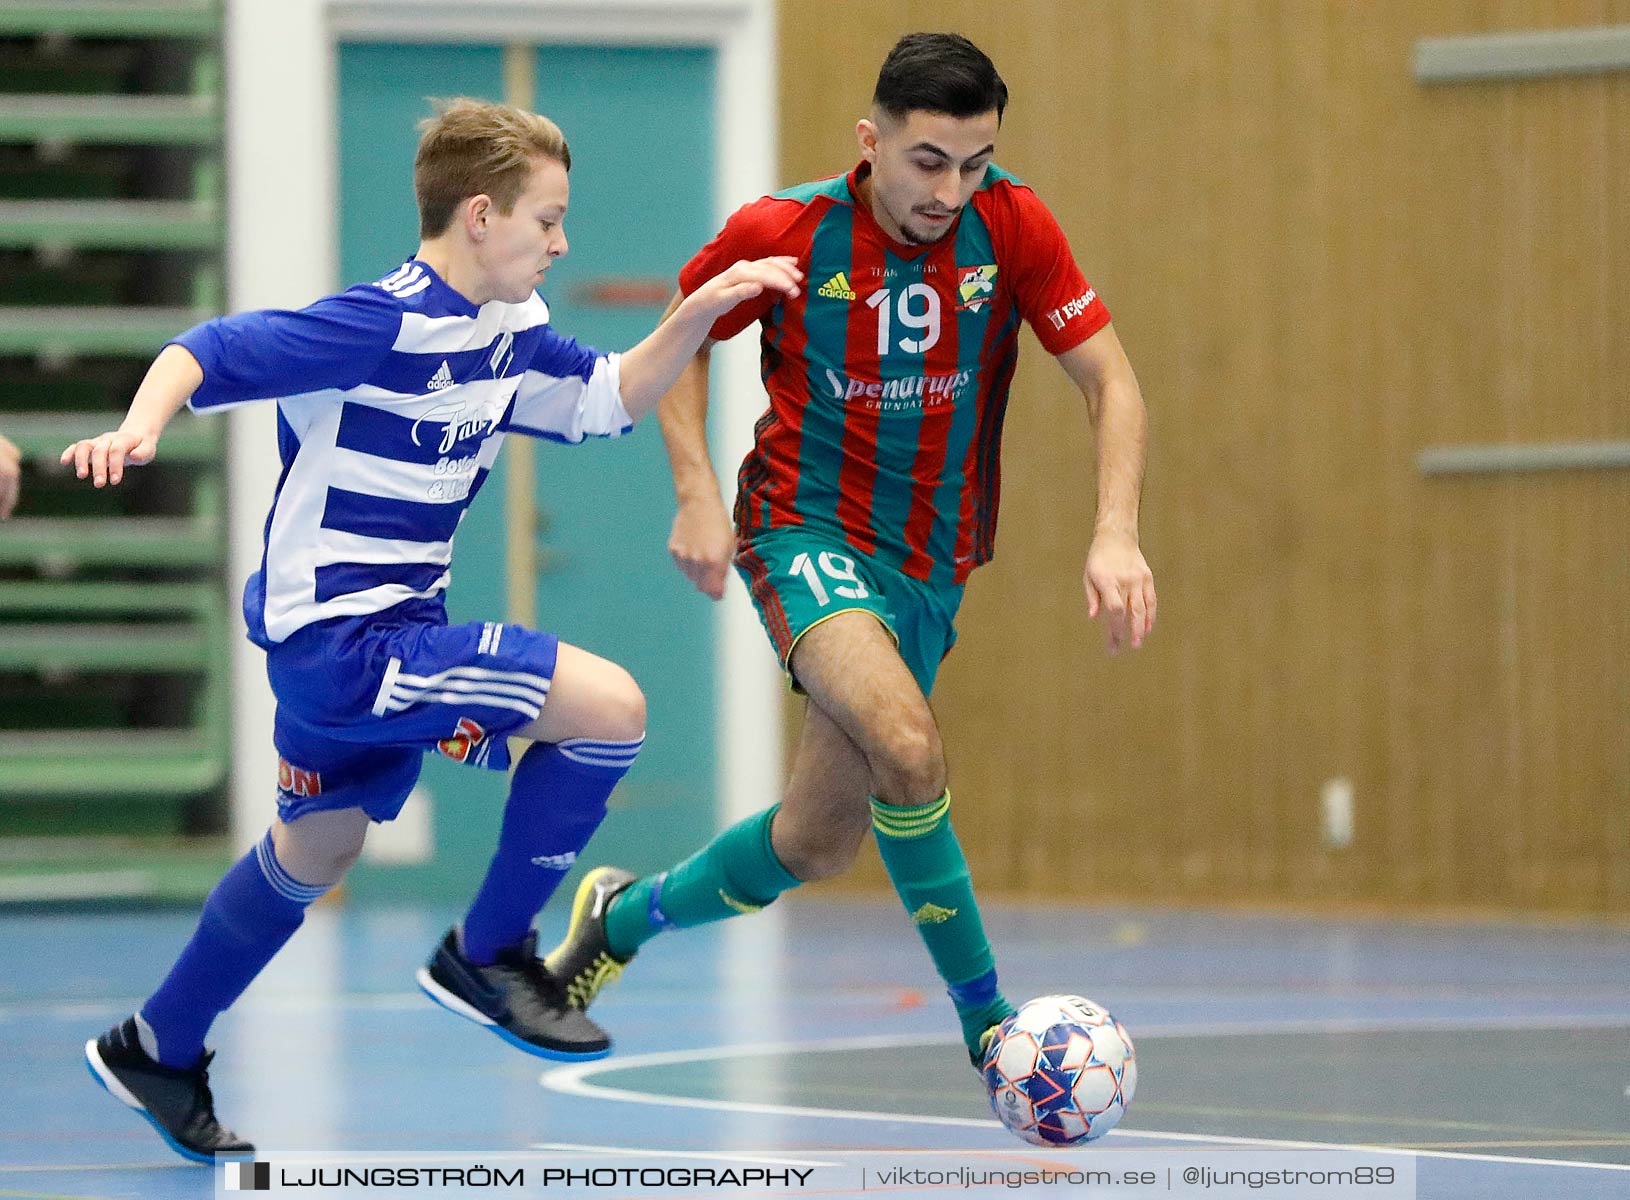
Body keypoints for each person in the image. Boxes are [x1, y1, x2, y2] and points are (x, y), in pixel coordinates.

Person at [63, 97, 800, 1163]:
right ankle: (488, 952)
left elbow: (608, 400)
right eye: (548, 221)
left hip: (386, 638)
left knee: (316, 848)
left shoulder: (508, 338)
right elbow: (209, 349)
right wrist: (140, 427)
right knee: (609, 711)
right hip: (343, 644)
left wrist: (698, 311)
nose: (562, 243)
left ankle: (157, 1043)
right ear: (482, 215)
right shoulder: (379, 322)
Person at [543, 33, 1156, 1074]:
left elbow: (1112, 382)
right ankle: (990, 1028)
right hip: (805, 534)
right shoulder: (785, 230)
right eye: (927, 161)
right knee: (908, 750)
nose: (950, 190)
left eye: (974, 163)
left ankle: (620, 919)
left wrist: (1114, 530)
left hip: (931, 569)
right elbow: (677, 343)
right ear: (868, 142)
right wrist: (696, 491)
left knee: (813, 843)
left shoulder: (1012, 226)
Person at [0, 432, 20, 518]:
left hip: (9, 474)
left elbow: (17, 454)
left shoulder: (3, 442)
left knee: (9, 499)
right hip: (5, 474)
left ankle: (3, 516)